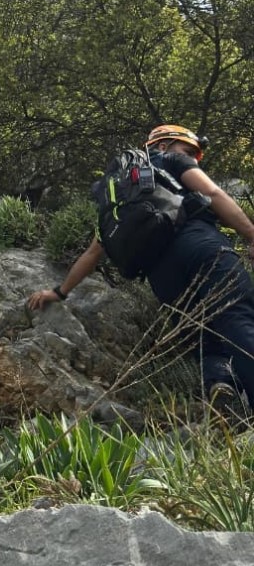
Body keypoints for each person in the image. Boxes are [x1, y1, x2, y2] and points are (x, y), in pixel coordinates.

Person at [28, 125, 254, 408]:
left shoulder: (121, 193)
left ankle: (222, 388)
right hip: (200, 247)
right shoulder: (170, 160)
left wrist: (59, 292)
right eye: (189, 152)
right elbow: (215, 194)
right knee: (238, 319)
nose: (194, 160)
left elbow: (92, 253)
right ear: (162, 145)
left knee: (205, 342)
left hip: (163, 278)